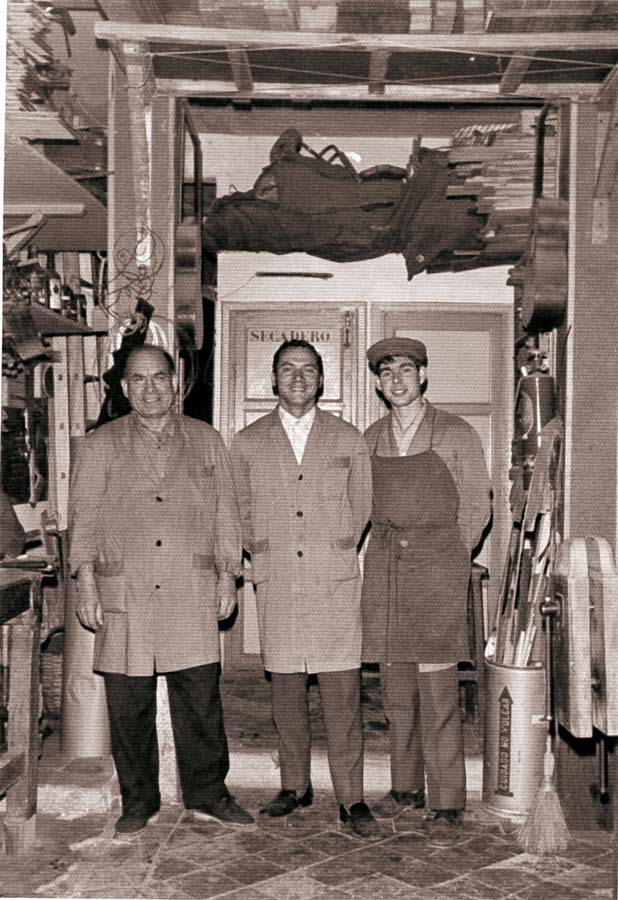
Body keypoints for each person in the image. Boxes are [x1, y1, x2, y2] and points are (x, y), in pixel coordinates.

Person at [69, 344, 253, 840]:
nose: (150, 389)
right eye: (138, 380)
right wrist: (84, 578)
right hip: (122, 590)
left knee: (200, 701)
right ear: (125, 388)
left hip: (188, 588)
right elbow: (82, 518)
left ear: (176, 383)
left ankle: (209, 795)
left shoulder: (206, 440)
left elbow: (227, 515)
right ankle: (139, 801)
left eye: (160, 378)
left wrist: (227, 574)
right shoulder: (99, 445)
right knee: (128, 705)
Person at [230, 339, 378, 838]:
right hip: (278, 586)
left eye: (308, 370)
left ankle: (352, 798)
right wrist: (264, 548)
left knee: (343, 698)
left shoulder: (348, 439)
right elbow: (238, 511)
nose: (298, 378)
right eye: (288, 369)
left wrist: (333, 548)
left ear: (321, 380)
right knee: (287, 695)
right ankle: (295, 786)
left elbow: (361, 509)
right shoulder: (247, 442)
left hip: (332, 585)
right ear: (273, 380)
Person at [362, 337, 491, 826]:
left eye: (406, 371)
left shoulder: (456, 433)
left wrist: (454, 554)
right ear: (378, 382)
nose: (397, 381)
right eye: (387, 372)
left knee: (438, 692)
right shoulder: (371, 437)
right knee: (396, 692)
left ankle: (448, 799)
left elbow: (478, 503)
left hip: (438, 568)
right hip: (387, 571)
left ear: (423, 377)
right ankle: (404, 789)